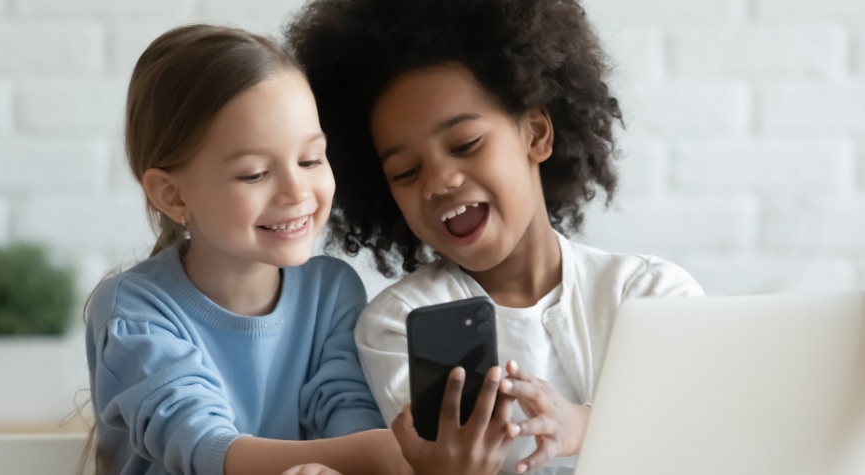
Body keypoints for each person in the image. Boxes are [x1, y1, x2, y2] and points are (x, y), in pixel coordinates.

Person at [286, 1, 705, 473]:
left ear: (536, 134)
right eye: (406, 171)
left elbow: (703, 436)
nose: (440, 180)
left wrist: (585, 426)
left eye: (465, 145)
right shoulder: (399, 325)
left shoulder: (653, 293)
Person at [84, 23, 418, 475]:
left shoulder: (331, 292)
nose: (296, 191)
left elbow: (348, 413)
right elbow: (202, 447)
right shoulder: (133, 310)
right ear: (172, 195)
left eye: (310, 160)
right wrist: (375, 453)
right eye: (255, 173)